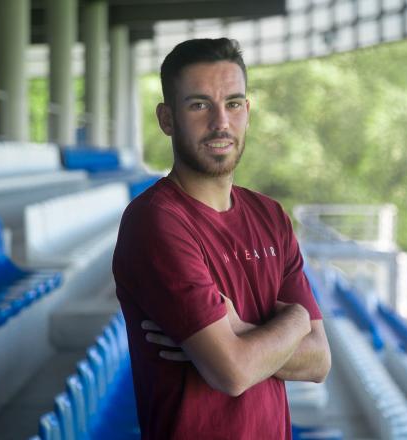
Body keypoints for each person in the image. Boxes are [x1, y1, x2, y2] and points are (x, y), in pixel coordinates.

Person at [112, 38, 331, 440]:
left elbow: (319, 360)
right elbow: (233, 372)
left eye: (232, 103)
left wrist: (241, 333)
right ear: (167, 118)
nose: (220, 122)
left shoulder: (270, 216)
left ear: (247, 112)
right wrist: (295, 320)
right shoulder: (155, 222)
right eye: (199, 105)